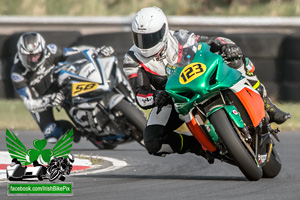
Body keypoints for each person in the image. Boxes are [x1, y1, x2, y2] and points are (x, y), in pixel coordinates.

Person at [123, 7, 291, 162]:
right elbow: (140, 93)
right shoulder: (132, 59)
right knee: (152, 142)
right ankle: (199, 147)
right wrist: (155, 96)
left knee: (237, 59)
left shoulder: (179, 38)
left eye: (150, 37)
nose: (145, 44)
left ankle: (266, 104)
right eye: (140, 38)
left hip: (203, 80)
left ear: (164, 31)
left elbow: (211, 41)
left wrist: (225, 46)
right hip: (173, 98)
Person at [11, 32, 115, 143]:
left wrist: (97, 51)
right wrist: (48, 100)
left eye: (36, 55)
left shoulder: (51, 51)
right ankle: (71, 127)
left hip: (62, 85)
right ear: (20, 54)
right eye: (28, 57)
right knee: (52, 136)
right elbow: (29, 103)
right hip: (43, 100)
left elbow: (74, 52)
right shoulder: (18, 73)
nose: (33, 60)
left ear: (42, 50)